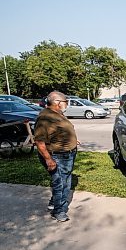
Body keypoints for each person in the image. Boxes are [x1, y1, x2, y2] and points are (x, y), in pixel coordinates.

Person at [34, 91, 78, 222]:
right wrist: (49, 159)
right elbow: (39, 142)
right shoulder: (45, 118)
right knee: (62, 184)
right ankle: (59, 211)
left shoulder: (57, 113)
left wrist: (74, 140)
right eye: (66, 102)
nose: (67, 104)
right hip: (58, 156)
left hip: (67, 154)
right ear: (58, 103)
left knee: (61, 181)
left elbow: (60, 131)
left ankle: (54, 203)